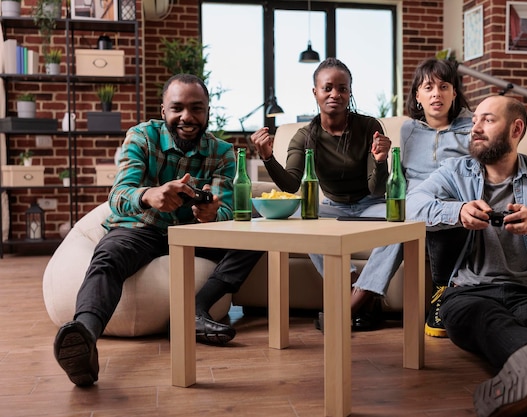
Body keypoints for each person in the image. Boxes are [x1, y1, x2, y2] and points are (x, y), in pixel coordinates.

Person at [53, 74, 264, 387]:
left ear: (208, 112)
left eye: (196, 109)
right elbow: (118, 195)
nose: (187, 117)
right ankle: (83, 334)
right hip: (143, 228)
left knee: (255, 232)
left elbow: (228, 210)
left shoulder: (222, 153)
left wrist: (212, 213)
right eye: (177, 108)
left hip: (195, 233)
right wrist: (148, 195)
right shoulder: (142, 137)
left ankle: (196, 308)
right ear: (163, 110)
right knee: (107, 257)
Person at [413, 95, 527, 417]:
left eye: (487, 120)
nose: (475, 128)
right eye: (474, 121)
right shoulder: (454, 171)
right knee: (485, 320)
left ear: (516, 129)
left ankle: (525, 378)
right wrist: (458, 211)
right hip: (469, 293)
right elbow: (412, 205)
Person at [250, 57, 392, 331]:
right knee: (302, 218)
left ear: (350, 92)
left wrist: (382, 159)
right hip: (333, 207)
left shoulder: (368, 127)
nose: (335, 94)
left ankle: (350, 305)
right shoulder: (304, 136)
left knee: (403, 224)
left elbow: (377, 188)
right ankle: (358, 294)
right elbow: (291, 185)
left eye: (342, 88)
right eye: (328, 88)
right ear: (315, 92)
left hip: (371, 204)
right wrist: (267, 157)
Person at [354, 58, 473, 336]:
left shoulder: (471, 128)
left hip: (451, 202)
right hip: (416, 203)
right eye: (428, 87)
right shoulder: (409, 130)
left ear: (454, 93)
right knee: (402, 222)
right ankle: (363, 299)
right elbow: (403, 175)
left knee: (408, 222)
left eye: (444, 86)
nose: (436, 94)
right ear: (417, 96)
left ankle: (357, 300)